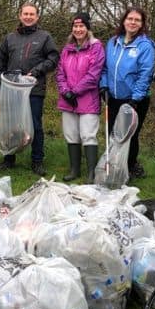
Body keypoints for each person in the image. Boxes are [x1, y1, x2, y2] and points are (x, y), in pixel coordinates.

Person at [0, 2, 59, 176]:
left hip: (34, 89)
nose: (28, 17)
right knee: (11, 125)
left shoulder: (45, 37)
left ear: (37, 17)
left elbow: (53, 58)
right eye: (25, 14)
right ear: (20, 16)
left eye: (32, 14)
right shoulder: (10, 38)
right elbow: (0, 64)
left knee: (35, 125)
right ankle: (9, 158)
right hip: (11, 88)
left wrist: (37, 71)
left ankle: (37, 161)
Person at [100, 6, 155, 180]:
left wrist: (135, 98)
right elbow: (104, 68)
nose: (132, 22)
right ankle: (113, 165)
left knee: (130, 135)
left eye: (137, 20)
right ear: (124, 21)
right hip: (114, 97)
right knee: (113, 133)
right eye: (130, 19)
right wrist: (103, 86)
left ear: (142, 24)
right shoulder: (113, 42)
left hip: (134, 99)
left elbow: (145, 73)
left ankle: (129, 167)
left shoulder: (145, 46)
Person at [55, 12, 105, 182]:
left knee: (88, 135)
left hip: (87, 99)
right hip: (67, 99)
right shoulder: (67, 49)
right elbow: (60, 73)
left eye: (81, 26)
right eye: (75, 26)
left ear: (87, 28)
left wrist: (74, 91)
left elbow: (94, 75)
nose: (78, 29)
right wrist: (65, 91)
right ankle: (74, 170)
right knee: (71, 134)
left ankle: (91, 172)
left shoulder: (96, 47)